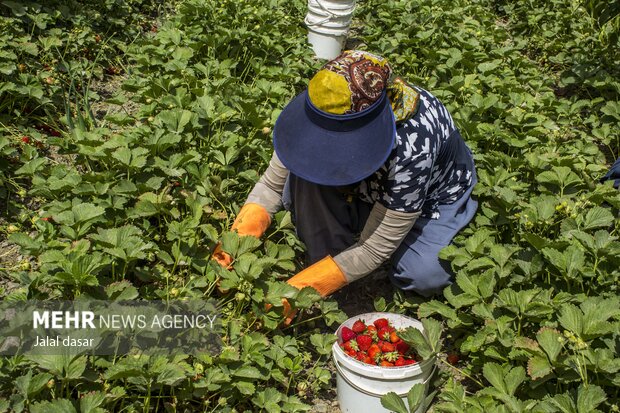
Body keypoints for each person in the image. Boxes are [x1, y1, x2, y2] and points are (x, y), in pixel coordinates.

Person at [212, 50, 478, 317]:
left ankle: (343, 262)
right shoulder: (322, 101)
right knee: (305, 173)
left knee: (423, 273)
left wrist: (301, 289)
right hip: (367, 188)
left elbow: (375, 247)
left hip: (428, 198)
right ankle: (331, 257)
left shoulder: (413, 144)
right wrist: (238, 239)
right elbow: (272, 185)